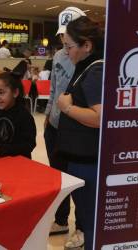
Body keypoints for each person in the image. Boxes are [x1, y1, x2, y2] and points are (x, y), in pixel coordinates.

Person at [57, 16, 104, 250]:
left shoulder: (95, 72)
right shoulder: (85, 67)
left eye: (69, 47)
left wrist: (67, 108)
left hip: (88, 162)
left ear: (87, 46)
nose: (66, 52)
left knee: (90, 219)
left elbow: (100, 117)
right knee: (87, 215)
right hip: (80, 159)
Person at [44, 6, 86, 249]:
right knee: (58, 177)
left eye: (68, 35)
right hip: (56, 125)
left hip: (78, 128)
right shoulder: (59, 56)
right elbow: (53, 88)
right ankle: (61, 220)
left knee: (79, 179)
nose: (63, 40)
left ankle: (82, 227)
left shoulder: (90, 59)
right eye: (62, 35)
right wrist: (49, 114)